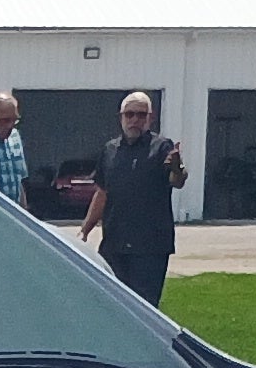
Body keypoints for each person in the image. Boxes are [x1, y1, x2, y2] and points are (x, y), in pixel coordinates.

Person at [78, 89, 183, 309]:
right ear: (121, 117)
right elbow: (102, 192)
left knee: (144, 309)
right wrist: (86, 229)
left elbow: (177, 180)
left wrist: (177, 167)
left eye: (141, 115)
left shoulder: (162, 147)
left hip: (150, 247)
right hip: (114, 244)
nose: (135, 120)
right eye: (130, 114)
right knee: (113, 306)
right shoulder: (110, 150)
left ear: (150, 118)